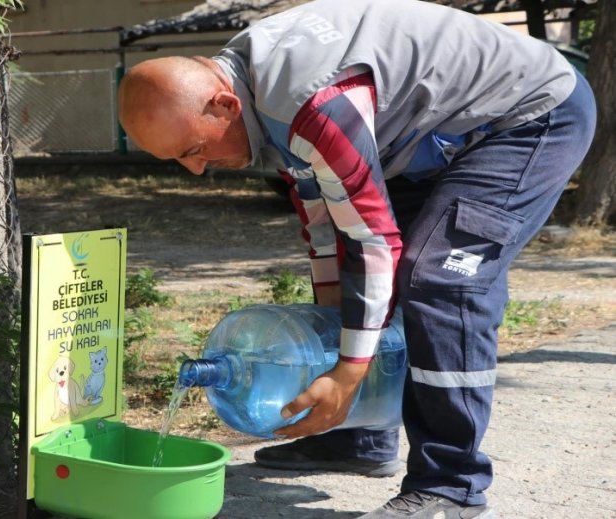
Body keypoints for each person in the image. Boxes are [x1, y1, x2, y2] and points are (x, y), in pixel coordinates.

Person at [117, 0, 597, 517]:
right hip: (426, 136)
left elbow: (372, 241)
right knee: (367, 280)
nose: (197, 170)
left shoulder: (312, 102)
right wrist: (332, 353)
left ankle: (451, 485)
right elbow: (329, 232)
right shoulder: (255, 92)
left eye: (192, 149)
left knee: (440, 283)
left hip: (526, 116)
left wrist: (347, 374)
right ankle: (357, 434)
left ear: (223, 106)